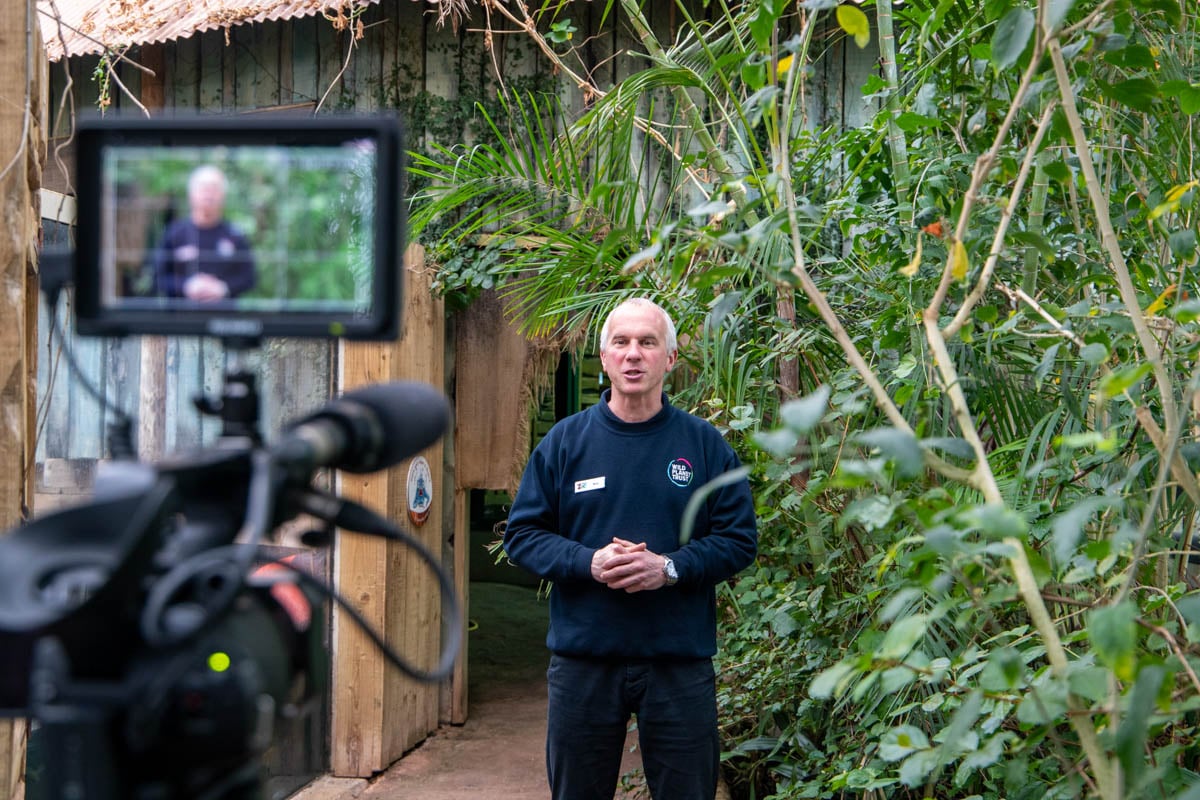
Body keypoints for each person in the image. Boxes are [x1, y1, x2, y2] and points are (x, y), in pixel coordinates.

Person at [503, 297, 759, 800]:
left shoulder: (705, 446)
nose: (633, 354)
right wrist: (589, 562)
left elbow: (738, 540)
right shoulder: (564, 444)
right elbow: (522, 536)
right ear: (603, 358)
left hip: (678, 662)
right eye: (620, 342)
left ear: (670, 358)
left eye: (647, 342)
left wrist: (669, 568)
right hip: (584, 663)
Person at [151, 165, 256, 301]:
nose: (208, 194)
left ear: (223, 195)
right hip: (180, 318)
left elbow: (249, 278)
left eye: (214, 189)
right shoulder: (174, 233)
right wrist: (186, 286)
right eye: (203, 188)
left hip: (224, 318)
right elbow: (158, 278)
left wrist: (223, 288)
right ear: (191, 193)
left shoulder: (235, 235)